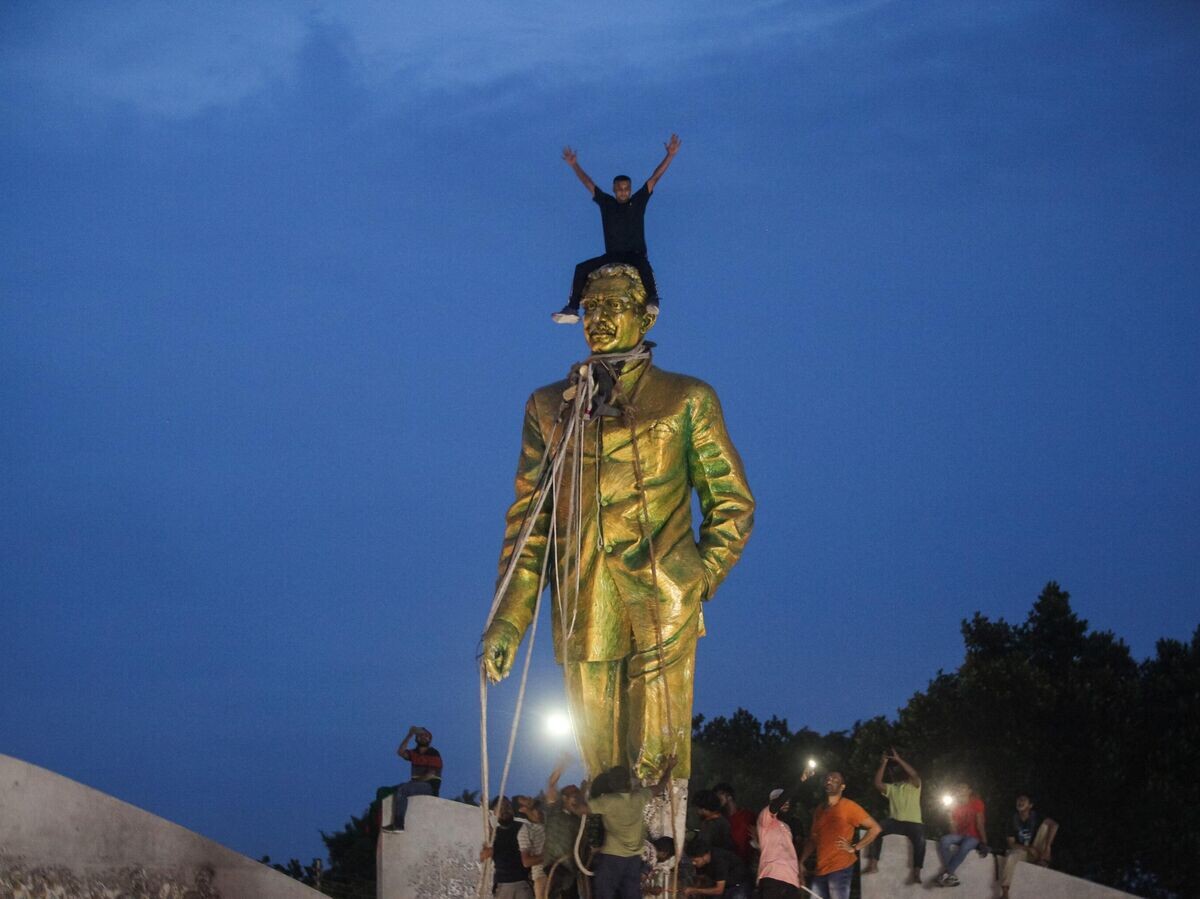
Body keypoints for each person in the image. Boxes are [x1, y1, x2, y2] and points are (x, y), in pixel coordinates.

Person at [481, 263, 755, 793]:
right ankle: (605, 866)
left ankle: (658, 863)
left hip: (664, 595)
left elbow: (732, 502)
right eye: (591, 308)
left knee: (659, 764)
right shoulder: (548, 406)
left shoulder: (686, 398)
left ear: (645, 316)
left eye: (613, 307)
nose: (598, 318)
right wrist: (508, 621)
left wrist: (694, 581)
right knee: (603, 773)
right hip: (584, 598)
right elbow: (529, 523)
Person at [552, 135, 681, 323]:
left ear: (630, 189)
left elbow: (655, 177)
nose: (623, 191)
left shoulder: (637, 202)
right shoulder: (607, 203)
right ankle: (572, 308)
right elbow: (588, 183)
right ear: (614, 190)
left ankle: (653, 299)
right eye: (619, 188)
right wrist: (574, 165)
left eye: (626, 188)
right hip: (613, 255)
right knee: (581, 268)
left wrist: (670, 156)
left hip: (634, 254)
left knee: (644, 266)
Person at [578, 759, 676, 899]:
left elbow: (581, 809)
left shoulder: (605, 801)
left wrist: (579, 795)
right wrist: (670, 767)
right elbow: (660, 787)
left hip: (610, 858)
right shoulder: (639, 796)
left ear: (611, 784)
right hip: (629, 860)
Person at [798, 771, 882, 899]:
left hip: (840, 867)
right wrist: (801, 861)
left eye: (835, 780)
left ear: (842, 787)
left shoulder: (849, 807)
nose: (830, 780)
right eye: (828, 778)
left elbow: (875, 828)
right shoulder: (819, 810)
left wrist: (855, 847)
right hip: (821, 869)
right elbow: (813, 838)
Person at [863, 748, 924, 883]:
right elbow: (877, 783)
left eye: (895, 772)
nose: (892, 775)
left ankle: (916, 873)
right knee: (875, 830)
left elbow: (914, 774)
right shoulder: (892, 788)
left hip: (914, 822)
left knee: (920, 840)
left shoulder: (914, 785)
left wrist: (899, 759)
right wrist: (884, 763)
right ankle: (873, 865)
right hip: (896, 822)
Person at [541, 756, 588, 898]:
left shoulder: (580, 818)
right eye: (573, 796)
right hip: (555, 867)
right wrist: (561, 765)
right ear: (564, 798)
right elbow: (551, 784)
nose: (577, 799)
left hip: (573, 869)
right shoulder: (555, 810)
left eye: (578, 796)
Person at [932, 782, 989, 888]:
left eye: (963, 788)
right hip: (960, 836)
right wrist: (950, 818)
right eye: (958, 788)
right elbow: (953, 831)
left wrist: (984, 842)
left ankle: (947, 873)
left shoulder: (976, 803)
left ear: (969, 791)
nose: (959, 790)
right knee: (945, 840)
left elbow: (980, 823)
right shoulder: (955, 806)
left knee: (965, 846)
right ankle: (951, 875)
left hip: (973, 836)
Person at [386, 725, 442, 829]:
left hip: (429, 787)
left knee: (403, 789)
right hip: (416, 785)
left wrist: (413, 783)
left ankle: (398, 825)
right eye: (420, 735)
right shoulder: (414, 753)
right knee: (393, 790)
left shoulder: (434, 753)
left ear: (430, 739)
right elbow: (401, 752)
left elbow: (431, 775)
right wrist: (409, 735)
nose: (423, 737)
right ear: (416, 739)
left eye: (426, 736)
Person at [999, 794, 1055, 897]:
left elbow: (1055, 825)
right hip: (1023, 851)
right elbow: (1011, 844)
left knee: (1046, 826)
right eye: (1018, 800)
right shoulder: (1012, 819)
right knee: (1011, 857)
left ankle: (1043, 860)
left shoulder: (1037, 817)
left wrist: (1047, 847)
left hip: (1037, 850)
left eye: (1023, 800)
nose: (1020, 802)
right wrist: (1028, 849)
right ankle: (1005, 892)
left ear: (1030, 805)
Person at [481, 796, 533, 898]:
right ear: (495, 813)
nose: (505, 810)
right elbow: (485, 852)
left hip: (523, 884)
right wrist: (484, 812)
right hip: (502, 885)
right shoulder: (495, 834)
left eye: (507, 806)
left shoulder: (523, 827)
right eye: (501, 808)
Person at [756, 789, 802, 899]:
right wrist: (800, 780)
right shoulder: (765, 819)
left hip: (791, 879)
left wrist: (798, 874)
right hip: (772, 876)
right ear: (773, 802)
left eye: (788, 801)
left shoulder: (787, 827)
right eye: (782, 800)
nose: (786, 803)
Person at [683, 837, 751, 899]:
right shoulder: (703, 863)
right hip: (723, 885)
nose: (693, 863)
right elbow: (702, 878)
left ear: (705, 856)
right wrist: (695, 889)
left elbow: (719, 890)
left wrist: (694, 890)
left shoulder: (719, 861)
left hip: (737, 886)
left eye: (695, 861)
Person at [712, 783, 756, 864]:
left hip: (746, 864)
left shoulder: (748, 816)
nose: (717, 799)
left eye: (720, 795)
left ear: (729, 796)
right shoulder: (720, 820)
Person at [516, 795, 548, 899]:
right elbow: (526, 862)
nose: (529, 798)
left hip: (562, 873)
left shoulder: (548, 822)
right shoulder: (526, 830)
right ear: (523, 809)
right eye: (525, 800)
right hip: (542, 876)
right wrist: (548, 856)